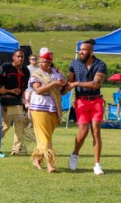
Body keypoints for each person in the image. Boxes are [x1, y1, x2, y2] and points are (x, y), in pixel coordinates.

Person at [67, 39, 107, 175]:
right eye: (80, 50)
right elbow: (69, 82)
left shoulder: (100, 64)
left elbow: (96, 84)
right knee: (83, 132)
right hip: (81, 102)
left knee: (96, 131)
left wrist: (77, 83)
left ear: (91, 51)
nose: (81, 52)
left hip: (96, 101)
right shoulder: (74, 64)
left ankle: (97, 164)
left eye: (84, 50)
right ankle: (75, 153)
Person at [29, 51, 68, 173]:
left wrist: (66, 87)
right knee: (45, 138)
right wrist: (54, 83)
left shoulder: (57, 73)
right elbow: (38, 90)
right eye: (40, 61)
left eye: (44, 62)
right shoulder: (37, 74)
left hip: (54, 108)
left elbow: (61, 91)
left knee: (46, 136)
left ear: (50, 62)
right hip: (39, 108)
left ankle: (37, 159)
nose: (40, 64)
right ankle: (50, 164)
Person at [0, 49, 32, 156]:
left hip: (16, 101)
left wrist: (23, 96)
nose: (20, 58)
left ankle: (16, 149)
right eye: (18, 56)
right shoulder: (6, 67)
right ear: (13, 57)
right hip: (4, 100)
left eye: (22, 57)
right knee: (6, 125)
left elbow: (24, 87)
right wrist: (8, 91)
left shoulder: (25, 70)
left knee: (19, 124)